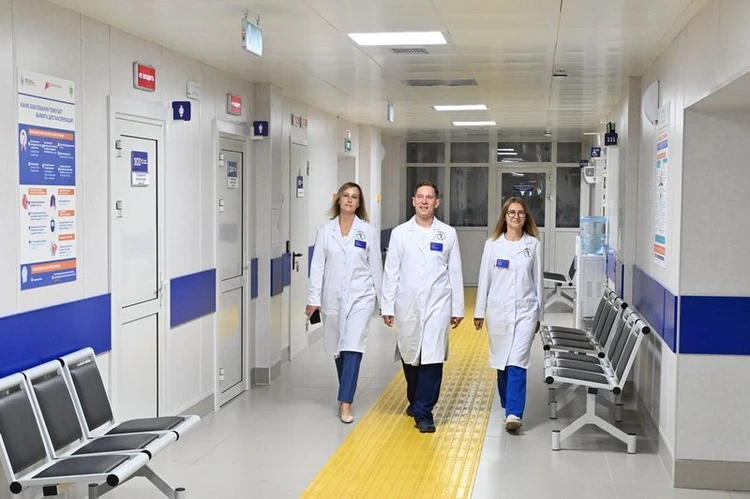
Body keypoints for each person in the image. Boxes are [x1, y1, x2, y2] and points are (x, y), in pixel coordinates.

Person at [381, 181, 464, 433]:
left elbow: (455, 271)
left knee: (433, 357)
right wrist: (387, 306)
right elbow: (391, 271)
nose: (424, 201)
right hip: (407, 304)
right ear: (413, 201)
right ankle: (415, 399)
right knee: (410, 356)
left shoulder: (447, 233)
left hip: (438, 304)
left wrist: (457, 308)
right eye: (420, 197)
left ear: (436, 202)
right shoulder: (400, 233)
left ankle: (424, 412)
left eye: (429, 197)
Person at [307, 182, 382, 424]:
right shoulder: (325, 230)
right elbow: (317, 266)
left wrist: (384, 302)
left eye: (354, 197)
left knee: (353, 345)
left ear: (359, 203)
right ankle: (344, 393)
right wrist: (313, 299)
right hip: (332, 297)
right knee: (338, 347)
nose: (349, 200)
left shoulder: (367, 230)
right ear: (338, 199)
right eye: (346, 196)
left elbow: (376, 267)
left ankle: (346, 401)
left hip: (361, 296)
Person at [473, 197, 544, 432]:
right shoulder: (493, 245)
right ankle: (508, 403)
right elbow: (484, 279)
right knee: (502, 360)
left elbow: (538, 281)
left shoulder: (533, 245)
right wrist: (479, 311)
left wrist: (539, 315)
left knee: (518, 361)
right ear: (504, 217)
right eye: (511, 212)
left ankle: (514, 412)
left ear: (526, 217)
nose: (516, 216)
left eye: (520, 213)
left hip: (526, 310)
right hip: (498, 311)